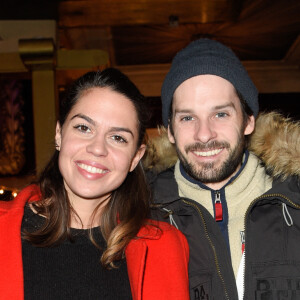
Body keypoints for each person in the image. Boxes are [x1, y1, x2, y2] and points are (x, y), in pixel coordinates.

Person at [0, 68, 190, 300]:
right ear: (59, 133)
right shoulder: (4, 229)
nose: (98, 148)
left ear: (135, 158)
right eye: (84, 128)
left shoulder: (163, 249)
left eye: (118, 137)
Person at [144, 39, 300, 299]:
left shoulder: (294, 202)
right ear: (170, 130)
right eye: (187, 117)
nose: (204, 134)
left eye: (221, 114)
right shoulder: (139, 215)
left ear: (249, 120)